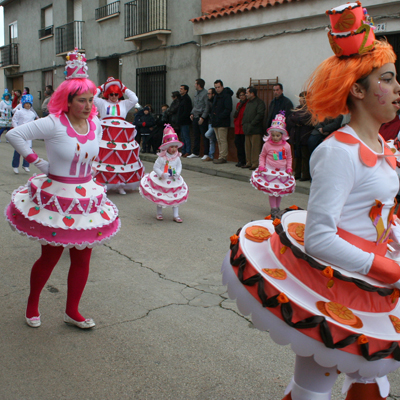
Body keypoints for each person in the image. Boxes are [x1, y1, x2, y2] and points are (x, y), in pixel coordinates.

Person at [222, 3, 400, 399]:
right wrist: (382, 266)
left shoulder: (383, 145)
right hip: (334, 283)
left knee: (371, 380)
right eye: (387, 79)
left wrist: (395, 247)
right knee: (313, 390)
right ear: (358, 89)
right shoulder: (340, 151)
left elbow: (382, 213)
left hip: (374, 282)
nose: (398, 88)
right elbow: (319, 237)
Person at [5, 49, 120, 330]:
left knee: (83, 255)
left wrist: (93, 168)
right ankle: (32, 304)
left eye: (91, 99)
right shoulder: (54, 122)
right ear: (66, 101)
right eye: (81, 100)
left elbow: (95, 150)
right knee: (51, 255)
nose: (88, 105)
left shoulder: (95, 122)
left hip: (86, 197)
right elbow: (14, 134)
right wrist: (39, 163)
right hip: (57, 197)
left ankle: (72, 311)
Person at [93, 76, 144, 195]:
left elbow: (134, 98)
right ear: (107, 94)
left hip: (121, 137)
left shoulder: (125, 103)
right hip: (106, 135)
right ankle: (102, 183)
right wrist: (102, 86)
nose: (114, 96)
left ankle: (120, 184)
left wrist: (123, 87)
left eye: (116, 94)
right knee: (104, 160)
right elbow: (92, 95)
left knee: (121, 161)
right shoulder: (102, 102)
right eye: (111, 94)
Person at [139, 124, 189, 222]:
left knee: (175, 196)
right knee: (160, 196)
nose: (174, 149)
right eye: (171, 147)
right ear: (166, 148)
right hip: (162, 179)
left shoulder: (177, 157)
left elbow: (179, 166)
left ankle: (176, 215)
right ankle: (159, 213)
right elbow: (156, 167)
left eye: (175, 147)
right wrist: (162, 174)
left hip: (173, 179)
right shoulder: (161, 157)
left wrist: (178, 173)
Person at [250, 112, 295, 218]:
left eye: (278, 135)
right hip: (270, 170)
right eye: (273, 135)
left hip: (282, 171)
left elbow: (289, 158)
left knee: (279, 191)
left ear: (282, 135)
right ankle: (273, 209)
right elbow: (262, 156)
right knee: (272, 191)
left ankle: (277, 208)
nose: (275, 138)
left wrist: (289, 168)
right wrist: (261, 166)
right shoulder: (267, 145)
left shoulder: (287, 146)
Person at [289, 92, 314, 181]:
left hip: (304, 134)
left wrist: (297, 119)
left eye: (302, 98)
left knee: (305, 155)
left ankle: (305, 174)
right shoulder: (297, 108)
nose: (300, 100)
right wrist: (296, 120)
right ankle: (297, 173)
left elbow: (304, 119)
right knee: (297, 155)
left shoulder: (310, 109)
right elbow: (290, 118)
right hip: (296, 135)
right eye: (300, 98)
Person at [241, 86, 266, 170]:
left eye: (247, 92)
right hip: (247, 128)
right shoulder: (248, 103)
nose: (246, 94)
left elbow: (260, 115)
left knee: (255, 147)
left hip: (255, 129)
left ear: (252, 93)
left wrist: (252, 123)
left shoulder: (259, 103)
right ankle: (248, 162)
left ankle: (255, 163)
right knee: (247, 147)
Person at [11, 94, 36, 173]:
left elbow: (33, 123)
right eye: (26, 103)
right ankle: (15, 166)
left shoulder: (32, 114)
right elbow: (14, 121)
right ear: (23, 104)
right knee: (18, 150)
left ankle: (26, 165)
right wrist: (16, 128)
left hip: (28, 134)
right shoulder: (19, 112)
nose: (28, 105)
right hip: (20, 132)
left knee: (28, 150)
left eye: (29, 104)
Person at [211, 79, 233, 164]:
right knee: (218, 140)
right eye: (216, 87)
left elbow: (228, 109)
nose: (217, 89)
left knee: (222, 140)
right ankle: (220, 155)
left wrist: (219, 117)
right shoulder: (216, 96)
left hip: (222, 122)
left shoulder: (226, 96)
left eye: (219, 87)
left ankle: (223, 157)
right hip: (215, 121)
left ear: (222, 87)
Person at [189, 78, 209, 160]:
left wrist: (203, 117)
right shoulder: (196, 93)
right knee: (196, 135)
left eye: (195, 83)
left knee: (204, 136)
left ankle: (206, 153)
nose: (194, 85)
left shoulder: (205, 93)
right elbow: (195, 105)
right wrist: (192, 113)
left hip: (202, 117)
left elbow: (206, 106)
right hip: (195, 116)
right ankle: (195, 152)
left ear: (199, 85)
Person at [233, 87, 247, 167]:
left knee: (243, 145)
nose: (242, 96)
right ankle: (240, 160)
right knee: (238, 144)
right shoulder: (238, 104)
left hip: (243, 128)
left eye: (243, 95)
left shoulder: (247, 104)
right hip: (237, 128)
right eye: (240, 95)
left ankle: (244, 161)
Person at [177, 85, 192, 157]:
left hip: (185, 121)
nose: (180, 90)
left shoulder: (187, 99)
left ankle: (187, 151)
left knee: (186, 136)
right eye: (180, 88)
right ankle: (183, 150)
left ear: (186, 90)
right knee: (182, 136)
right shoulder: (181, 98)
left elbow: (186, 111)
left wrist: (181, 118)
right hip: (181, 121)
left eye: (182, 89)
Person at [204, 88, 216, 162]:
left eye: (209, 93)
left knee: (207, 135)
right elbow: (206, 110)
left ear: (213, 94)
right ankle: (211, 155)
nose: (208, 95)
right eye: (207, 93)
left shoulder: (215, 101)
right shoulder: (208, 101)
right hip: (210, 121)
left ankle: (211, 154)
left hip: (214, 122)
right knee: (211, 140)